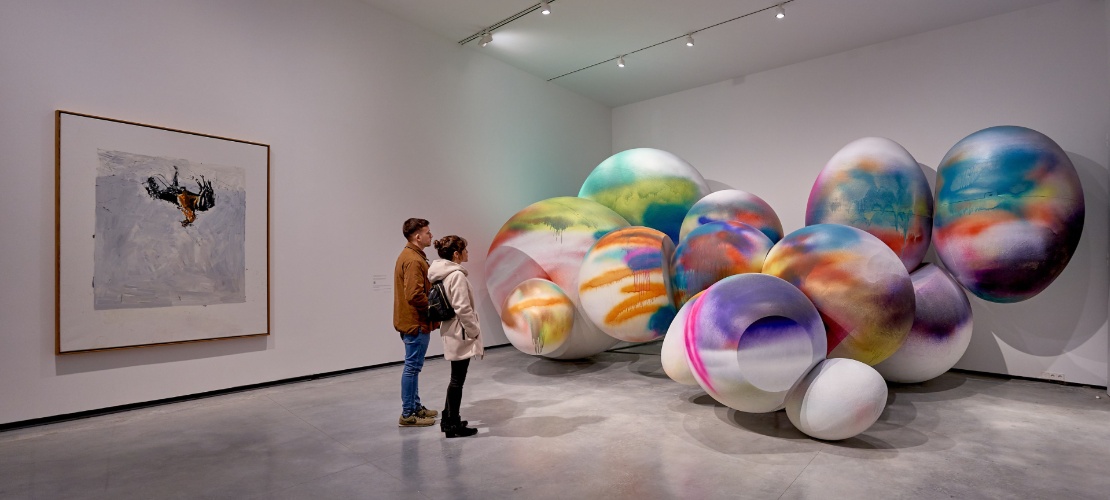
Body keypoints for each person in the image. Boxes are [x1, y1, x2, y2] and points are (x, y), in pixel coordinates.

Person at [428, 235, 484, 438]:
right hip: (460, 332)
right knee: (457, 380)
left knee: (456, 378)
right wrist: (474, 331)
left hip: (452, 330)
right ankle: (453, 424)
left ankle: (448, 419)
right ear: (456, 254)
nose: (468, 253)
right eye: (465, 250)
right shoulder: (457, 275)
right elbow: (462, 307)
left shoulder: (443, 274)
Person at [394, 218, 440, 427]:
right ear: (417, 236)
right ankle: (408, 414)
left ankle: (415, 406)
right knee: (412, 367)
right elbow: (414, 295)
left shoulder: (413, 256)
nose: (431, 236)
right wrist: (435, 308)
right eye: (428, 232)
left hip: (415, 322)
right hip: (416, 323)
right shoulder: (413, 259)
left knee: (414, 367)